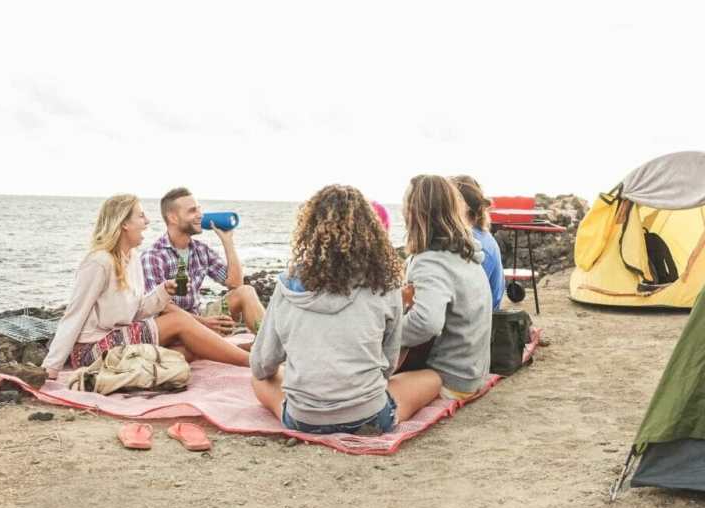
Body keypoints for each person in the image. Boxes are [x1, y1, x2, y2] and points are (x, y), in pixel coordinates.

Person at [250, 184, 437, 433]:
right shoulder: (386, 283)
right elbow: (389, 362)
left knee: (258, 379)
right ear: (370, 230)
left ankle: (307, 413)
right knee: (434, 379)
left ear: (310, 230)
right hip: (369, 416)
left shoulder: (287, 285)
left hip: (303, 419)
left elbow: (262, 364)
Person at [42, 195, 250, 379]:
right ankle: (250, 361)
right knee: (179, 320)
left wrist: (161, 292)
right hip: (92, 348)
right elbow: (74, 315)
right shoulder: (99, 262)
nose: (148, 222)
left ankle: (239, 352)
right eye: (141, 216)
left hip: (119, 336)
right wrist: (51, 367)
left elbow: (138, 310)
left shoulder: (132, 258)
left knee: (187, 349)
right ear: (124, 223)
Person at [389, 175, 492, 404]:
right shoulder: (464, 253)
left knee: (363, 399)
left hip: (448, 377)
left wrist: (385, 336)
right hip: (472, 372)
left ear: (415, 213)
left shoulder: (431, 261)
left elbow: (426, 323)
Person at [141, 187, 265, 335]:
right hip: (171, 325)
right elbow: (161, 307)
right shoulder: (153, 256)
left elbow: (236, 283)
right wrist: (204, 323)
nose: (200, 215)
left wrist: (228, 242)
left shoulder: (201, 250)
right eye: (193, 211)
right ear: (173, 218)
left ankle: (268, 346)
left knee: (246, 291)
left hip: (198, 317)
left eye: (199, 209)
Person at [452, 175, 506, 309]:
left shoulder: (475, 243)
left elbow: (465, 300)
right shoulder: (480, 235)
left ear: (461, 206)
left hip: (482, 323)